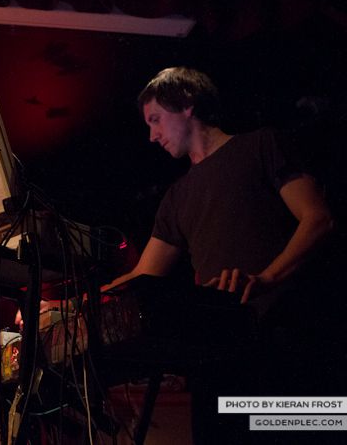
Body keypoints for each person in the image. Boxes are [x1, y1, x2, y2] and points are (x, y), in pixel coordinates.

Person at [107, 67, 338, 443]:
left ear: (185, 104)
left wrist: (267, 278)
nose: (151, 136)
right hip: (223, 359)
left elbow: (318, 219)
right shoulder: (176, 197)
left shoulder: (262, 145)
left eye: (155, 120)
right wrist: (77, 302)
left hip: (287, 344)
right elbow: (143, 278)